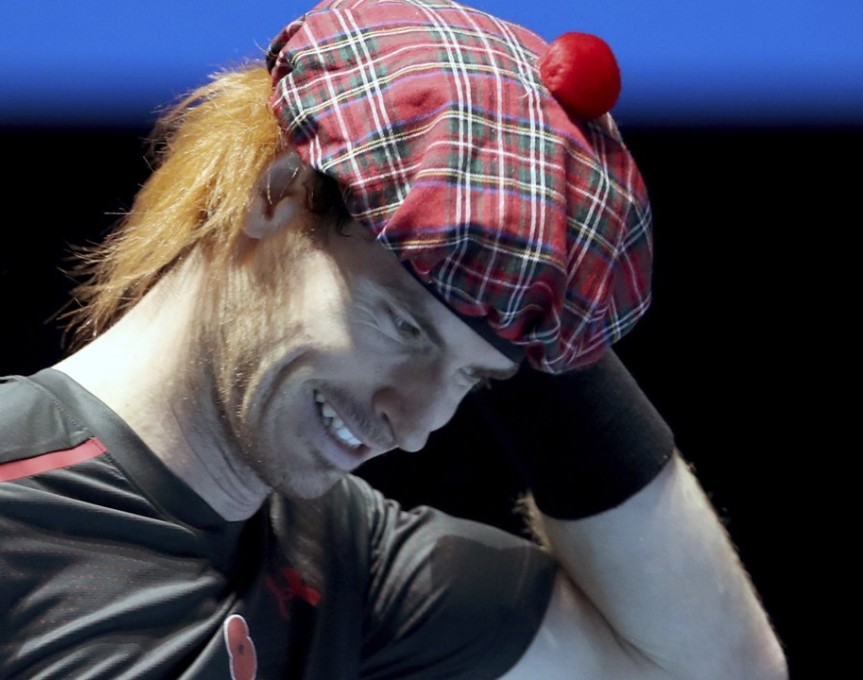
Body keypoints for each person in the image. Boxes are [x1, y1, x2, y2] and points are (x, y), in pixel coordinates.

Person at [0, 0, 786, 677]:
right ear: (277, 194)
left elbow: (707, 664)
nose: (413, 428)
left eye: (472, 379)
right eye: (403, 326)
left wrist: (535, 287)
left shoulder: (346, 559)